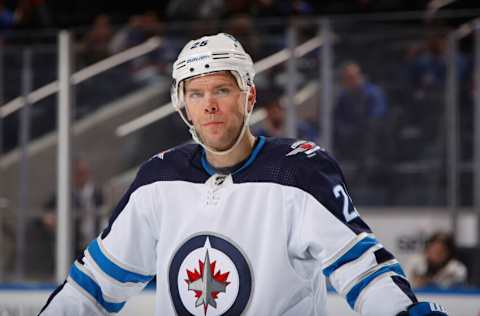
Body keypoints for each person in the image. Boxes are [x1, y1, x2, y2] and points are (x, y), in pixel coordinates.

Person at [39, 33, 448, 316]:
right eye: (196, 94)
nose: (209, 105)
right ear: (183, 105)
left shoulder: (298, 171)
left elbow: (363, 270)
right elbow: (93, 286)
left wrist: (403, 311)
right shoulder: (158, 180)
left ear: (248, 96)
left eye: (221, 90)